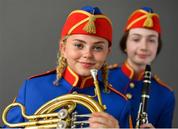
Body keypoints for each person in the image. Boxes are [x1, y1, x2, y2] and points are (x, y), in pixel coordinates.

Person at [3, 6, 132, 128]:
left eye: (97, 48)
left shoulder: (120, 104)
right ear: (63, 48)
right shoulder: (32, 88)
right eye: (79, 45)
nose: (88, 55)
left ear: (107, 53)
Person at [107, 7, 175, 128]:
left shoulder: (165, 95)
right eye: (136, 39)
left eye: (151, 40)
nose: (144, 46)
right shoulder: (103, 78)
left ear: (158, 46)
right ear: (125, 44)